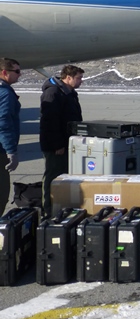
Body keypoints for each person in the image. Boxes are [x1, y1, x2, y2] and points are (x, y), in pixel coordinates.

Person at [39, 65, 84, 217]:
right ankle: (49, 209)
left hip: (67, 143)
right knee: (53, 175)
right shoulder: (53, 93)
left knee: (65, 175)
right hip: (56, 145)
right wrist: (57, 144)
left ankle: (62, 205)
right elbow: (50, 121)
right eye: (78, 78)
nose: (81, 81)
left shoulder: (69, 93)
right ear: (68, 77)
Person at [0, 58, 22, 216]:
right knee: (2, 194)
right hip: (0, 151)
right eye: (17, 72)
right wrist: (11, 151)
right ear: (4, 72)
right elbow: (4, 122)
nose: (20, 75)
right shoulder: (5, 93)